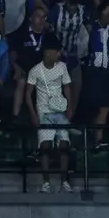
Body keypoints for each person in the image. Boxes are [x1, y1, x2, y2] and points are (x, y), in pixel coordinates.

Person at [23, 34, 74, 193]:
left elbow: (67, 86)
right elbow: (27, 94)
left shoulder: (62, 67)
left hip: (60, 110)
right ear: (47, 52)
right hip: (44, 112)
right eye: (56, 51)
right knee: (45, 146)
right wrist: (33, 114)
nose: (59, 54)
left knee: (64, 145)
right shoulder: (35, 70)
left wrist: (69, 107)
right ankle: (46, 183)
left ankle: (64, 182)